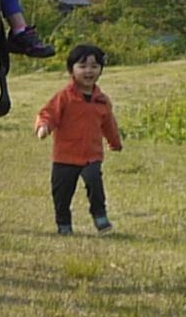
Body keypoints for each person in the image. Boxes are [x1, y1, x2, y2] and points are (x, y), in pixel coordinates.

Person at [36, 44, 123, 235]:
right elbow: (48, 114)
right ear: (71, 70)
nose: (88, 71)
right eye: (82, 66)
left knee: (94, 183)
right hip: (64, 157)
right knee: (61, 194)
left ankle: (100, 215)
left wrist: (115, 142)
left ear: (101, 69)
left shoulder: (102, 100)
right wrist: (44, 127)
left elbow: (109, 124)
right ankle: (64, 224)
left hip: (91, 156)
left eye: (94, 66)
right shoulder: (64, 97)